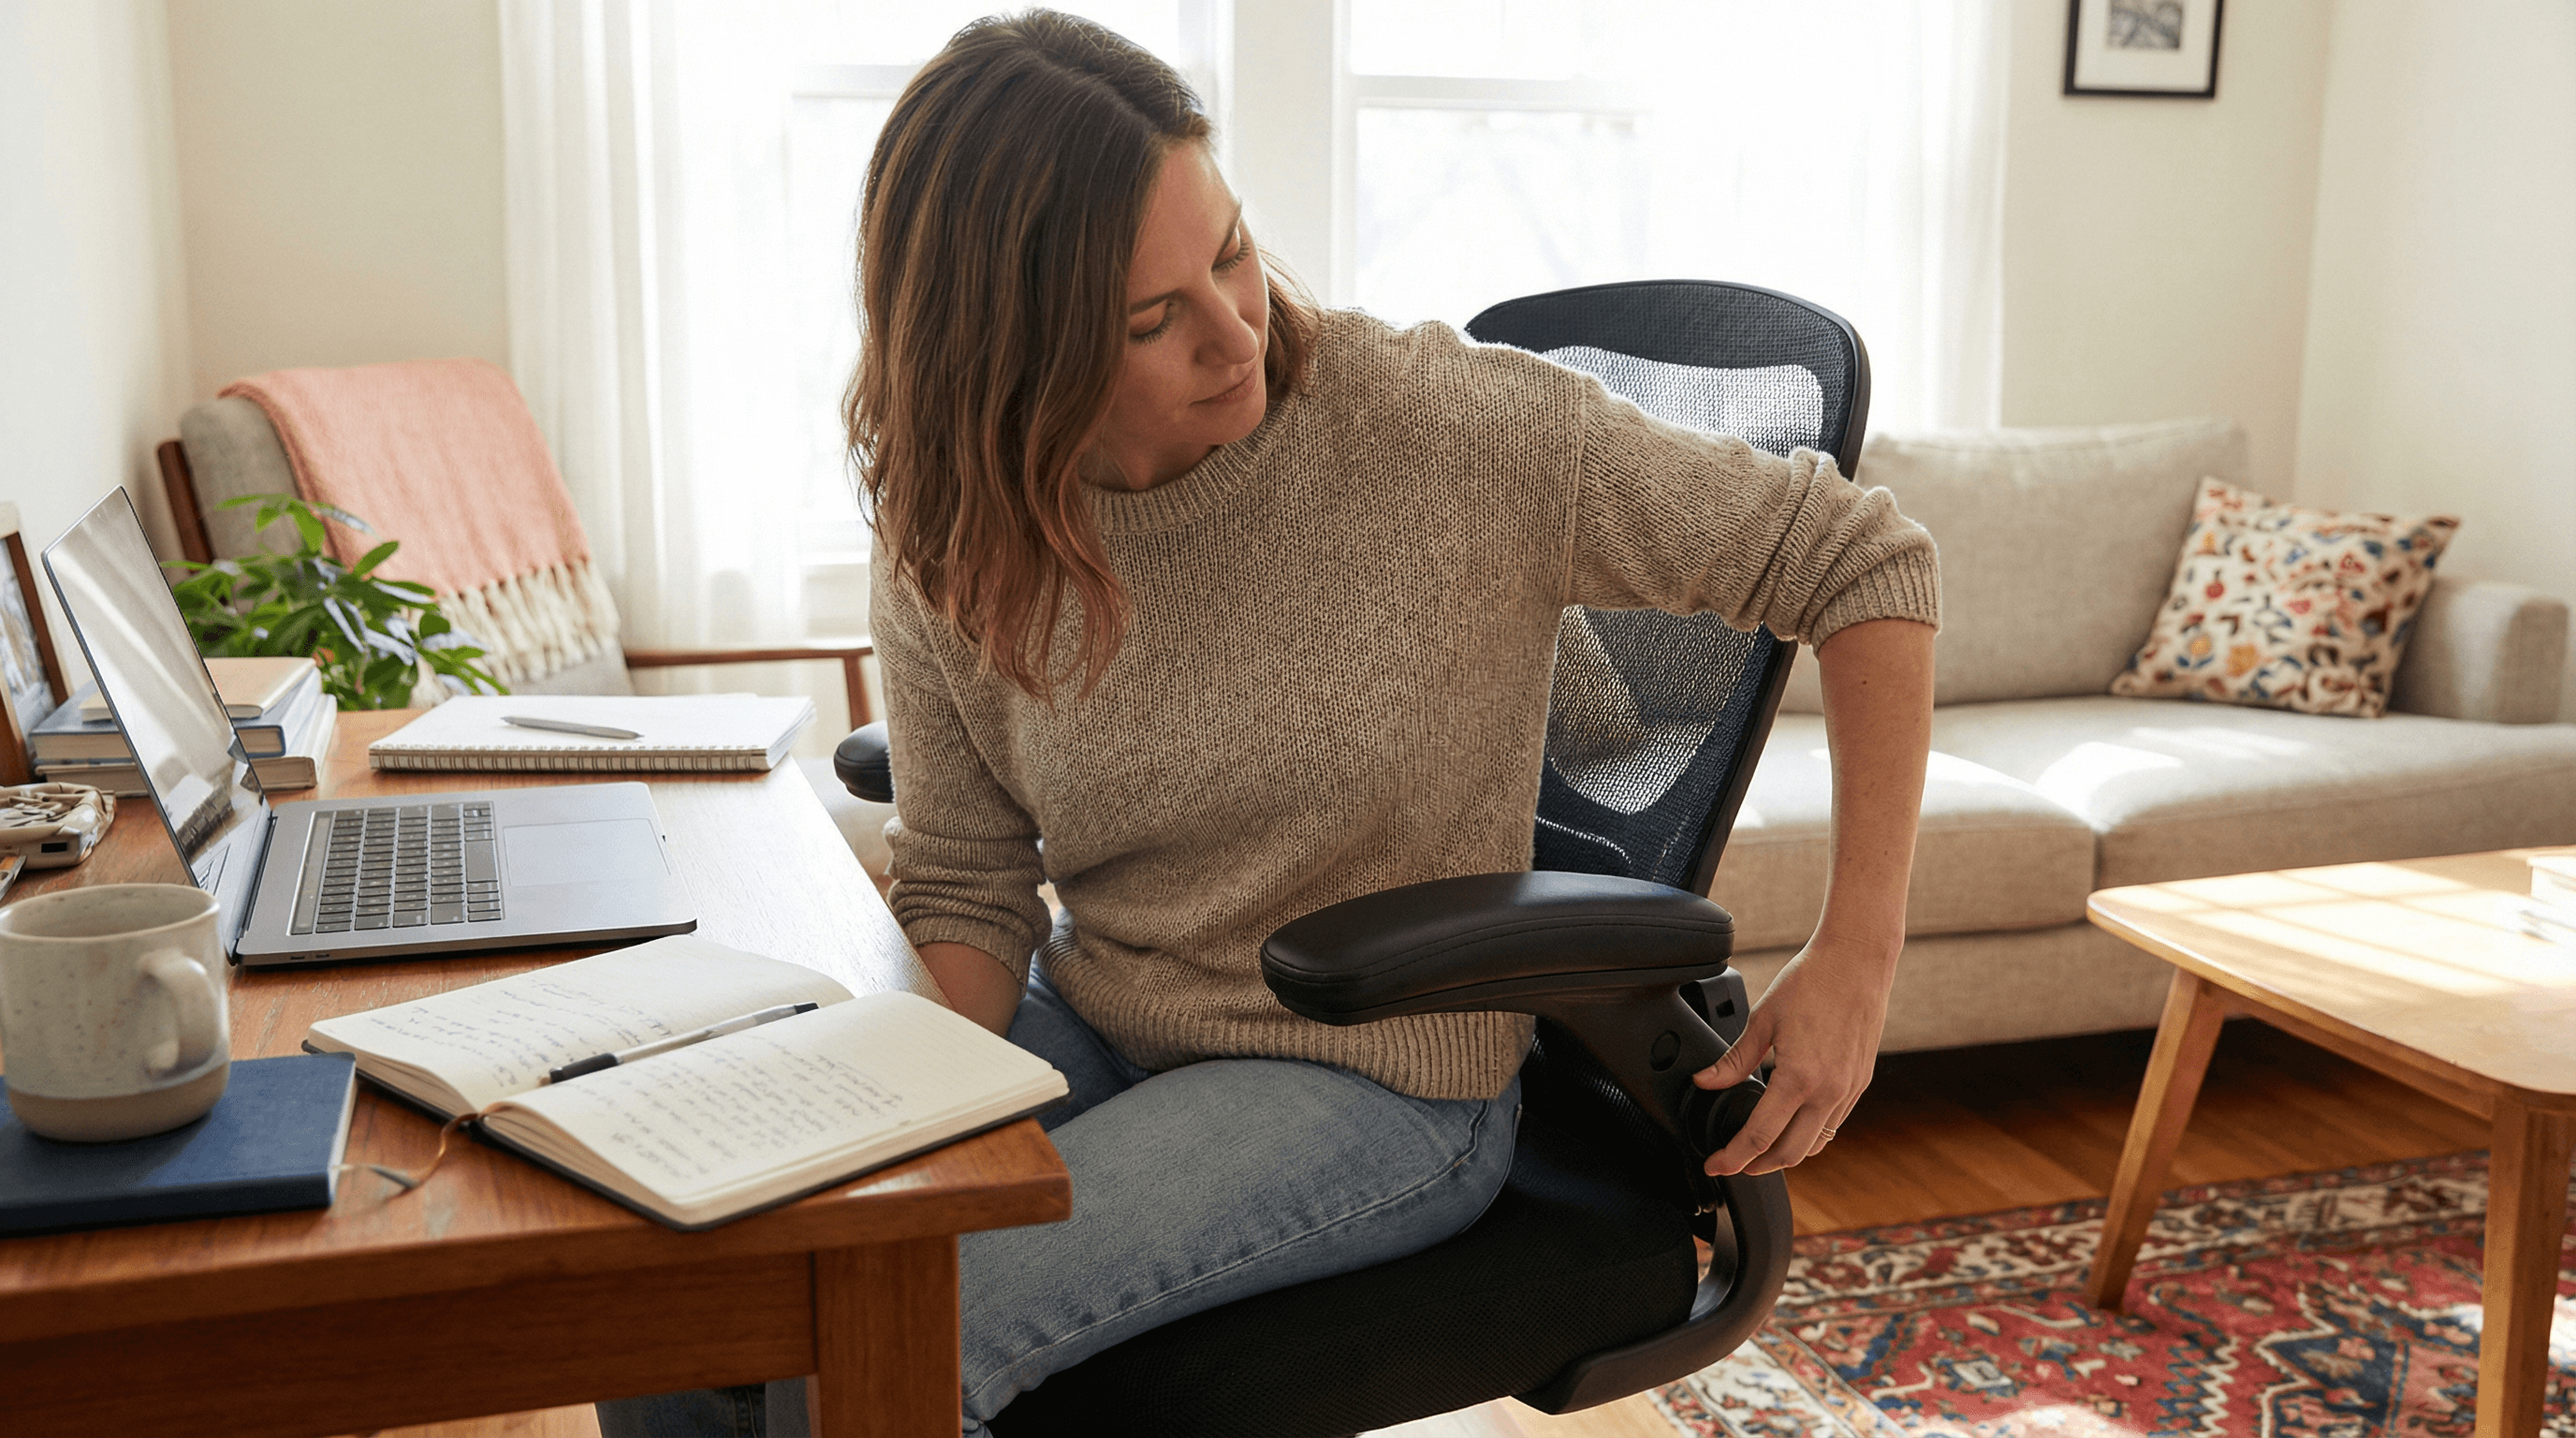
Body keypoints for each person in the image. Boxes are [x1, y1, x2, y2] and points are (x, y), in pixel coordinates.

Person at [600, 9, 1937, 1436]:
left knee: (890, 1326)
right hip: (1111, 1018)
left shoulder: (1440, 428)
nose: (1235, 334)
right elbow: (972, 884)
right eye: (1147, 318)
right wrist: (872, 1117)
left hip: (1376, 1082)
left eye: (1229, 252)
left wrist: (1857, 958)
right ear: (1003, 355)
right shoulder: (957, 517)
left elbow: (1867, 561)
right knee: (707, 1283)